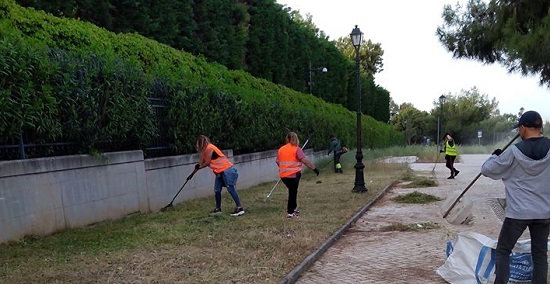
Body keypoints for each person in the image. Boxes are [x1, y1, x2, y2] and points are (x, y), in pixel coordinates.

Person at [481, 110, 550, 284]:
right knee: (540, 254)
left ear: (523, 128)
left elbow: (487, 170)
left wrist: (494, 156)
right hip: (544, 213)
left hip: (518, 214)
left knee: (504, 250)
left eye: (519, 128)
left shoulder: (513, 151)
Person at [194, 135, 244, 216]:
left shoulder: (210, 148)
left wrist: (199, 167)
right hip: (219, 172)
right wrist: (195, 170)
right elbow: (201, 162)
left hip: (227, 169)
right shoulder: (204, 151)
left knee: (230, 189)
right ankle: (218, 209)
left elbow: (207, 162)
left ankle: (240, 208)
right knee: (217, 190)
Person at [277, 132, 320, 218]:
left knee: (292, 191)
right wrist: (314, 169)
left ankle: (294, 208)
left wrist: (283, 167)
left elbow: (277, 161)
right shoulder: (297, 149)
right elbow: (304, 161)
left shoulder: (281, 149)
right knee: (292, 193)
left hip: (283, 176)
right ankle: (290, 212)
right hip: (294, 175)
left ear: (287, 139)